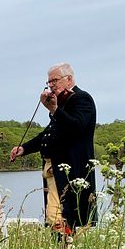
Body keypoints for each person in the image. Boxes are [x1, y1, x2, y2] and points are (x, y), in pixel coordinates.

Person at [10, 63, 97, 234]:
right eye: (49, 82)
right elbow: (50, 133)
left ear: (69, 79)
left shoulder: (81, 98)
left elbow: (77, 127)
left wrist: (55, 109)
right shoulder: (63, 103)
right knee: (56, 215)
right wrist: (24, 149)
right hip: (54, 168)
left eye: (54, 80)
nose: (51, 85)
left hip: (70, 168)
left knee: (60, 215)